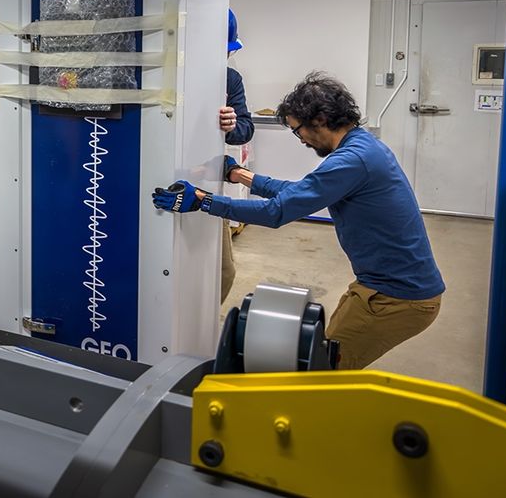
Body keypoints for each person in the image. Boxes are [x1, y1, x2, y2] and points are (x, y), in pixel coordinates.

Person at [152, 72, 444, 370]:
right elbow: (300, 193)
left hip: (396, 298)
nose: (301, 139)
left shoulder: (352, 160)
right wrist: (241, 175)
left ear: (319, 119)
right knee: (321, 355)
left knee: (320, 373)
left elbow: (277, 212)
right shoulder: (362, 147)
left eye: (298, 130)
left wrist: (203, 201)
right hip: (376, 288)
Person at [218, 9, 254, 303]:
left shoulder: (230, 80)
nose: (226, 57)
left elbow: (246, 127)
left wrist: (232, 127)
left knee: (223, 273)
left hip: (206, 187)